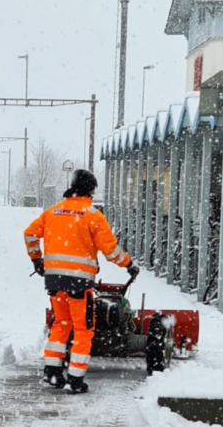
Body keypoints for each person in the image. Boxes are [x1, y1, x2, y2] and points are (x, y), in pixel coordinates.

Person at [23, 169, 138, 394]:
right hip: (79, 282)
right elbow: (110, 250)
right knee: (84, 329)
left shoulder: (53, 211)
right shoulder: (92, 215)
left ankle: (52, 372)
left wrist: (37, 260)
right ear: (91, 190)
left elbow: (29, 234)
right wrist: (128, 264)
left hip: (54, 281)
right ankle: (75, 380)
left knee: (61, 323)